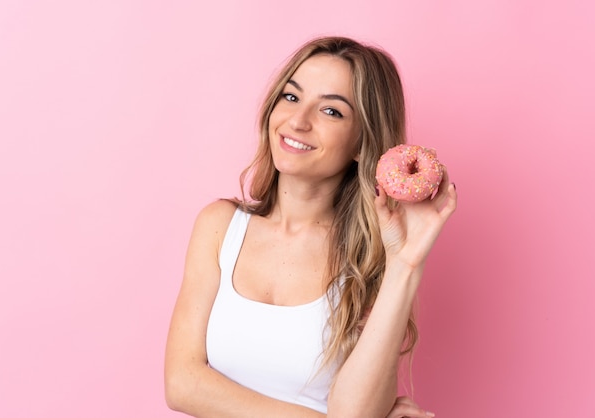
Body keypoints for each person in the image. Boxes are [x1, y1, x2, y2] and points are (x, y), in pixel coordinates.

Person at [164, 36, 457, 418]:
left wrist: (405, 264)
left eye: (331, 112)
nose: (298, 121)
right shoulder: (219, 227)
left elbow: (356, 412)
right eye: (291, 97)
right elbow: (181, 384)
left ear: (360, 143)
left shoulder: (369, 258)